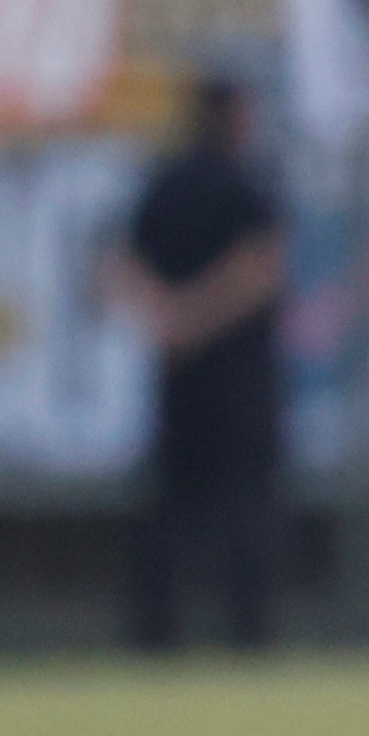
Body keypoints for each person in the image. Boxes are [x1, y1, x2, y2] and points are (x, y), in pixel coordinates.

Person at [113, 77, 289, 653]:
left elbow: (120, 264)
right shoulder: (244, 185)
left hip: (179, 370)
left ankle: (155, 634)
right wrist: (198, 317)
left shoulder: (164, 184)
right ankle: (249, 632)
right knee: (245, 505)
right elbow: (261, 267)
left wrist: (169, 319)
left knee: (172, 506)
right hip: (237, 374)